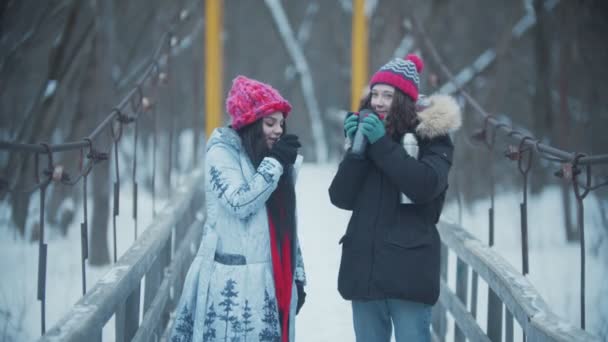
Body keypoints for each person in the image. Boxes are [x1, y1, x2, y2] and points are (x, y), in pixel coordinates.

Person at [328, 54, 461, 342]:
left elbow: (424, 186)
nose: (377, 102)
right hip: (365, 272)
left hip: (408, 276)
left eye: (387, 95)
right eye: (374, 94)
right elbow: (340, 197)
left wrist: (380, 144)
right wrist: (356, 151)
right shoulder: (368, 136)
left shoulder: (433, 138)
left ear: (404, 100)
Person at [170, 75, 307, 342]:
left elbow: (286, 224)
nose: (279, 130)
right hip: (230, 288)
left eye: (281, 123)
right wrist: (276, 164)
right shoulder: (221, 154)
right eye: (270, 123)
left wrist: (298, 275)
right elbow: (239, 202)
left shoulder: (270, 158)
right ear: (250, 124)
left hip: (271, 281)